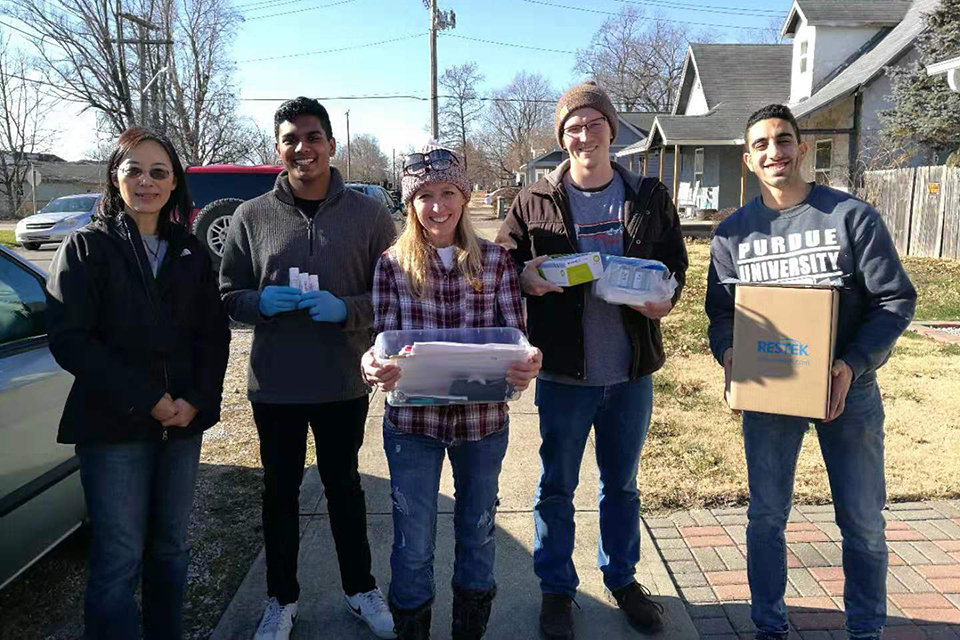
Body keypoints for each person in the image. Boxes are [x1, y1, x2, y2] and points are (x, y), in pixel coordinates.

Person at [705, 104, 917, 640]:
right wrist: (730, 355)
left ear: (801, 147)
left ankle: (866, 629)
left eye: (783, 141)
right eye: (762, 145)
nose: (774, 152)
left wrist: (852, 365)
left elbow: (894, 300)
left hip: (848, 392)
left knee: (863, 521)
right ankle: (768, 627)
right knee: (766, 517)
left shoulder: (851, 217)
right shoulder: (732, 235)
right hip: (771, 394)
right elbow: (722, 314)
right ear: (748, 158)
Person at [495, 81, 688, 640]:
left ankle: (622, 580)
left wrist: (667, 298)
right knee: (556, 485)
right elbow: (504, 268)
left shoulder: (648, 195)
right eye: (572, 127)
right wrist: (525, 278)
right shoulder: (533, 200)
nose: (584, 135)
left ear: (611, 128)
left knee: (621, 486)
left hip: (629, 373)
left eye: (593, 123)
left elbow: (675, 264)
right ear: (562, 136)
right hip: (564, 373)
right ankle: (556, 590)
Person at [219, 97, 397, 640]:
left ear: (331, 144)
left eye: (313, 137)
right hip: (275, 385)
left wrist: (348, 309)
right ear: (278, 148)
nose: (303, 148)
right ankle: (281, 599)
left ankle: (361, 589)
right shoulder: (252, 216)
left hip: (344, 380)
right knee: (280, 492)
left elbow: (394, 293)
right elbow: (228, 292)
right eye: (291, 139)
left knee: (344, 486)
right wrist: (257, 304)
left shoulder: (369, 216)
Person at [44, 127, 231, 640]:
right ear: (115, 178)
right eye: (135, 171)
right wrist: (148, 399)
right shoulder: (86, 248)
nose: (146, 181)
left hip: (181, 427)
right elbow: (71, 340)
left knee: (171, 547)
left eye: (159, 172)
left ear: (174, 184)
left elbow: (213, 338)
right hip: (113, 427)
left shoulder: (191, 252)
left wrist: (194, 399)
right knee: (119, 554)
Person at [361, 144, 542, 640]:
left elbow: (516, 337)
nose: (437, 206)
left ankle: (470, 628)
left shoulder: (497, 262)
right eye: (424, 196)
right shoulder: (391, 265)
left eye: (447, 193)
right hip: (412, 428)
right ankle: (412, 629)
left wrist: (527, 364)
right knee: (413, 540)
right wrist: (374, 366)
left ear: (463, 198)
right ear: (409, 203)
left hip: (482, 426)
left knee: (479, 531)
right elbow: (382, 340)